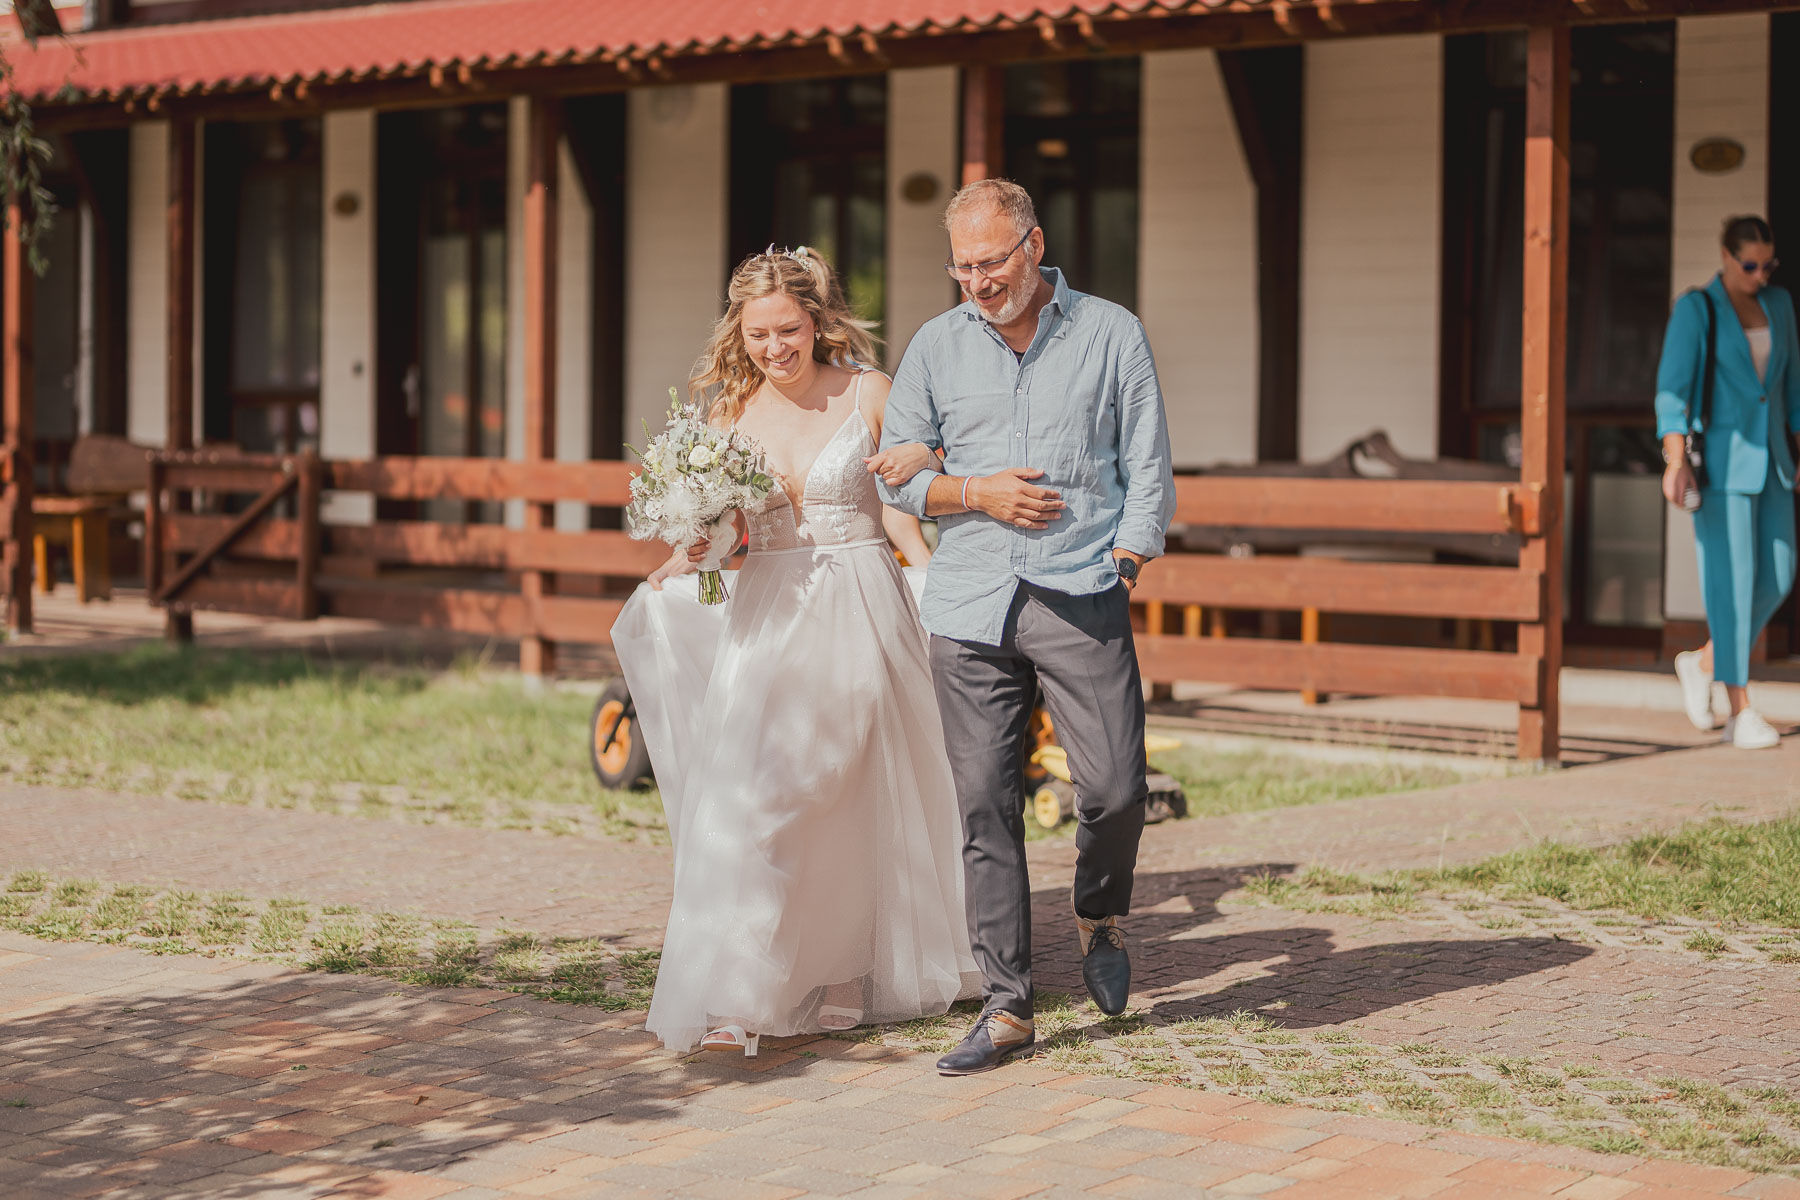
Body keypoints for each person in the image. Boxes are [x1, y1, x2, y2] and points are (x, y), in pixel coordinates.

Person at [610, 246, 979, 1056]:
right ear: (737, 335)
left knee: (835, 787)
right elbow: (722, 535)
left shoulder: (868, 392)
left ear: (817, 321)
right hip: (769, 615)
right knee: (756, 800)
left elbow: (902, 511)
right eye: (758, 335)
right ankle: (743, 989)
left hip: (858, 603)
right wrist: (684, 561)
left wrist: (937, 592)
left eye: (788, 329)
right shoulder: (726, 417)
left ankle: (846, 967)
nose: (775, 348)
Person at [871, 179, 1175, 1075]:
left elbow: (1147, 459)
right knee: (983, 807)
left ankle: (1098, 910)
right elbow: (897, 475)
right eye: (961, 268)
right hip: (968, 602)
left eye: (991, 262)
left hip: (1082, 587)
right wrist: (972, 491)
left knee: (1117, 788)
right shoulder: (934, 346)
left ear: (1034, 245)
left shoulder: (1112, 332)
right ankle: (1008, 1007)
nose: (977, 282)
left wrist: (1127, 556)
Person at [1657, 215, 1800, 750]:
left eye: (1768, 264)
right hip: (1719, 468)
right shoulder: (1697, 309)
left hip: (1775, 465)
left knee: (1779, 576)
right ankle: (1741, 711)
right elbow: (1671, 393)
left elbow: (1792, 387)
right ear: (1724, 255)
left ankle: (1703, 662)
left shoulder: (1780, 305)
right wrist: (1675, 461)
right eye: (1749, 265)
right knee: (1732, 585)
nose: (1759, 274)